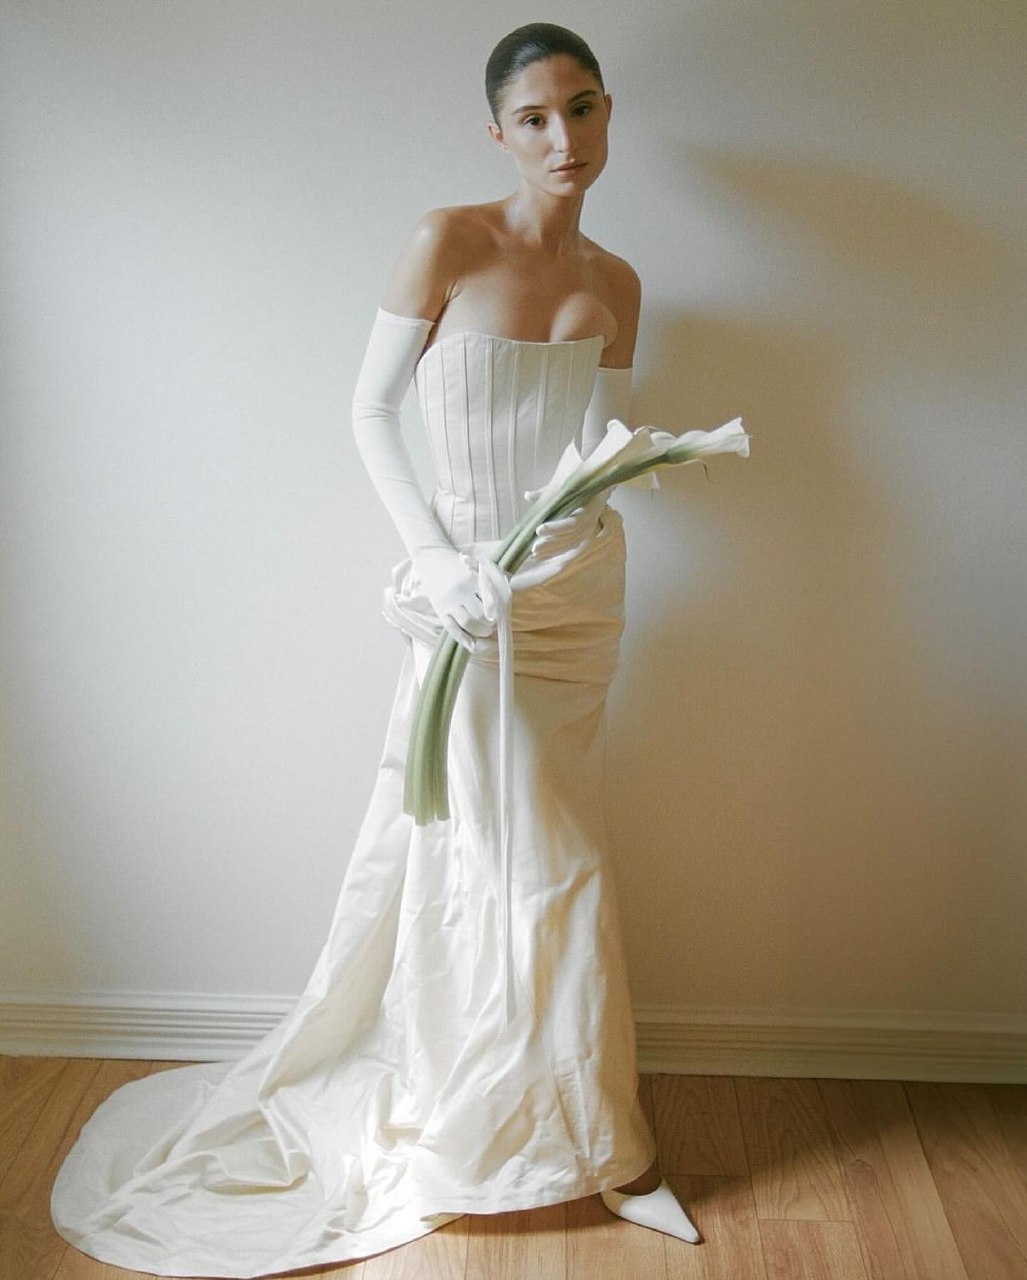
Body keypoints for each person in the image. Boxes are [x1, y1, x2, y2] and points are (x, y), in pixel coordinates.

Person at [49, 23, 700, 1278]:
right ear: (498, 131)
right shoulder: (447, 238)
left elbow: (592, 448)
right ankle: (574, 1143)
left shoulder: (619, 282)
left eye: (582, 107)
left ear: (608, 112)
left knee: (556, 857)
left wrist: (631, 482)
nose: (563, 137)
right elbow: (368, 407)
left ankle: (581, 1135)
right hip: (462, 600)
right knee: (531, 862)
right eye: (534, 117)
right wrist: (437, 559)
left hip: (571, 600)